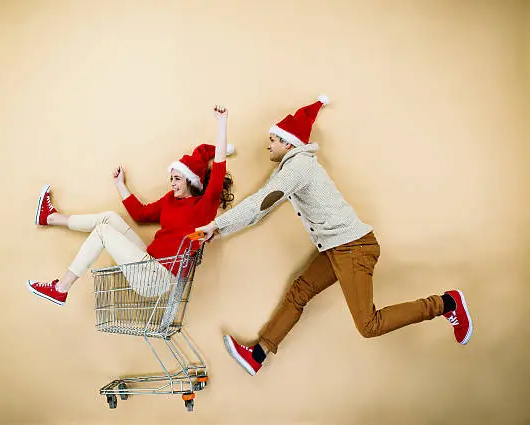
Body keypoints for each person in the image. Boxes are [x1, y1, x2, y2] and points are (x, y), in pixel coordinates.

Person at [197, 96, 473, 376]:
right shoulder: (292, 167)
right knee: (300, 291)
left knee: (369, 325)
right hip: (337, 248)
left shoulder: (299, 167)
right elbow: (263, 205)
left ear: (289, 143)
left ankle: (447, 303)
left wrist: (218, 226)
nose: (267, 144)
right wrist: (220, 229)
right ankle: (258, 354)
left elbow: (261, 201)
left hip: (353, 248)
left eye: (273, 139)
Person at [27, 105, 235, 305]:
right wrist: (120, 185)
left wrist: (222, 122)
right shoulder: (170, 200)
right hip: (148, 261)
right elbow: (140, 214)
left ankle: (61, 288)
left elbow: (218, 168)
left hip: (156, 277)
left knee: (102, 232)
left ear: (191, 181)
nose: (172, 183)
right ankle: (50, 217)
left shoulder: (204, 206)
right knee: (109, 218)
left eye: (178, 179)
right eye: (171, 178)